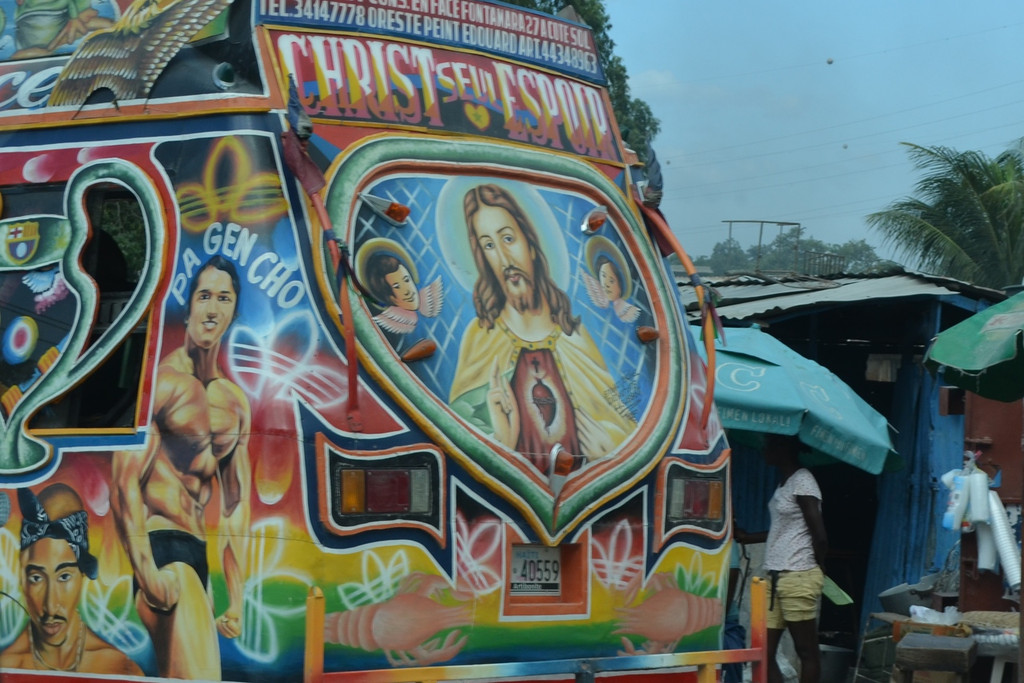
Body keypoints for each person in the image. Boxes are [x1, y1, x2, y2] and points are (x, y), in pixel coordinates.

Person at [111, 255, 252, 680]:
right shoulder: (163, 383)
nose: (212, 309)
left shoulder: (235, 403)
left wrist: (237, 599)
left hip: (197, 558)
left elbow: (235, 506)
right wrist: (146, 570)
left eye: (223, 298)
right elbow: (124, 481)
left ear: (233, 310)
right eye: (204, 296)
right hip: (163, 548)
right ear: (188, 306)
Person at [449, 184, 634, 474]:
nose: (504, 258)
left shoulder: (573, 335)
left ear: (531, 243)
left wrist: (608, 446)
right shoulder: (479, 336)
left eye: (508, 238)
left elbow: (619, 418)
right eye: (488, 246)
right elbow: (454, 435)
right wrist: (503, 440)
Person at [0, 484, 142, 675]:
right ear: (22, 576)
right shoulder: (8, 667)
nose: (50, 607)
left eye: (64, 576)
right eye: (36, 578)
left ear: (83, 574)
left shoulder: (119, 669)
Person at [735, 434, 828, 683]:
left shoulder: (803, 481)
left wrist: (815, 567)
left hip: (798, 576)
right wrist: (747, 537)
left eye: (767, 446)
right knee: (764, 653)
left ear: (782, 448)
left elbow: (819, 535)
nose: (763, 451)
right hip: (775, 576)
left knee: (806, 651)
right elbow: (784, 530)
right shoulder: (785, 483)